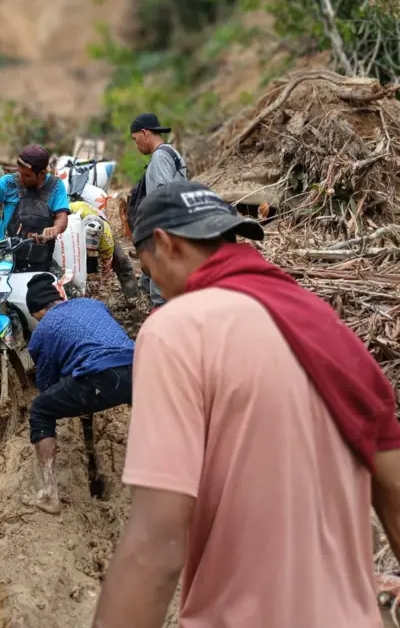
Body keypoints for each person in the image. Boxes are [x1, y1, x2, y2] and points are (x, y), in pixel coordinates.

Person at [91, 179, 400, 628]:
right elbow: (393, 489)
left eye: (146, 266)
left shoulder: (176, 330)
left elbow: (156, 544)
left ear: (163, 243)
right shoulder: (326, 326)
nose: (152, 281)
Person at [24, 273, 134, 515]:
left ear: (36, 312)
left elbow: (47, 382)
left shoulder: (43, 330)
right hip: (138, 366)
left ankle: (50, 495)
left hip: (99, 376)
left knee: (41, 409)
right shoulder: (93, 304)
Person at [0, 144, 70, 272]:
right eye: (19, 173)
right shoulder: (8, 182)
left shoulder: (55, 186)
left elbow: (61, 217)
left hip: (37, 256)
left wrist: (55, 229)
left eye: (26, 175)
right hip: (2, 252)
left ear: (42, 173)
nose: (21, 178)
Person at [127, 113, 187, 308]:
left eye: (136, 140)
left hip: (165, 229)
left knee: (160, 293)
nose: (137, 146)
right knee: (152, 282)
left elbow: (163, 194)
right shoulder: (170, 152)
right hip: (173, 226)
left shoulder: (161, 156)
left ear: (145, 133)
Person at [69, 199, 138, 303]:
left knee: (122, 260)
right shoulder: (73, 209)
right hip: (73, 234)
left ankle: (132, 297)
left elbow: (105, 269)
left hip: (103, 238)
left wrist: (98, 286)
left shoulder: (107, 240)